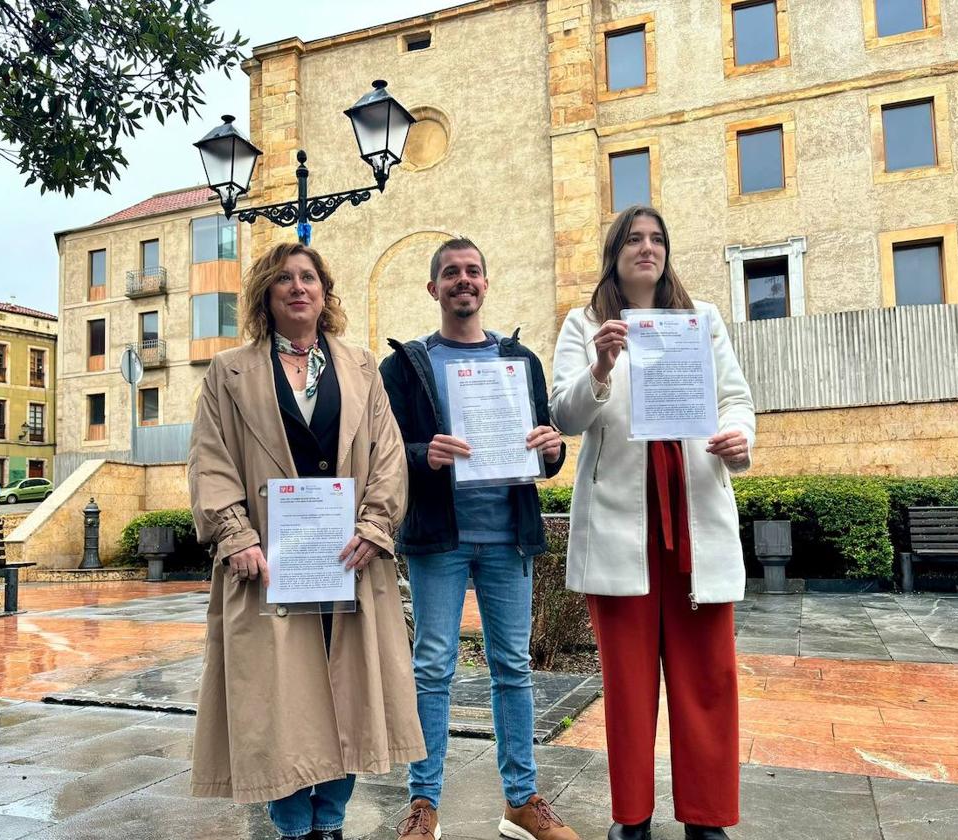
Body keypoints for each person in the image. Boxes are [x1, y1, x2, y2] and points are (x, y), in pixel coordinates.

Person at [187, 241, 424, 840]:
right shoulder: (229, 371)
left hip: (348, 558)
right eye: (285, 278)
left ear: (325, 293)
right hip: (267, 562)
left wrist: (375, 525)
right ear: (267, 294)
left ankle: (332, 822)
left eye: (309, 278)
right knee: (279, 701)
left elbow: (389, 455)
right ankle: (292, 826)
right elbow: (210, 461)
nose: (298, 287)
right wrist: (234, 534)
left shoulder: (361, 367)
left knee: (349, 693)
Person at [549, 206, 755, 840]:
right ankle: (631, 817)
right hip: (622, 526)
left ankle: (707, 817)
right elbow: (563, 415)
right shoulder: (583, 325)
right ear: (614, 252)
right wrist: (600, 370)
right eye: (634, 239)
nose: (647, 247)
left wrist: (738, 440)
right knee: (628, 686)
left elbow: (735, 401)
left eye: (657, 238)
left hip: (694, 517)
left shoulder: (703, 321)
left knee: (708, 682)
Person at [380, 238, 579, 840]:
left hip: (508, 536)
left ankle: (522, 801)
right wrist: (424, 454)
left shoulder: (521, 361)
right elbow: (383, 452)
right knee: (432, 666)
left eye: (472, 272)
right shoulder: (405, 365)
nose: (462, 281)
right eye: (450, 273)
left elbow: (546, 454)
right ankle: (424, 806)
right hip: (438, 538)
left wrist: (553, 449)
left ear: (486, 284)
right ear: (433, 288)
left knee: (513, 667)